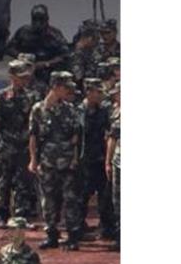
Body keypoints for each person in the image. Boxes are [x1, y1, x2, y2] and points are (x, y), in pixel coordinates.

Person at [28, 71, 83, 250]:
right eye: (64, 87)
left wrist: (75, 159)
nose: (67, 91)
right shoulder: (38, 109)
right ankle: (51, 233)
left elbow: (76, 138)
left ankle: (73, 235)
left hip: (66, 161)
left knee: (70, 198)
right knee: (49, 199)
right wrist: (33, 160)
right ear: (56, 87)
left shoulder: (70, 110)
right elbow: (33, 136)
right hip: (47, 161)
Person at [0, 60, 35, 224]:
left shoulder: (31, 96)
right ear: (12, 77)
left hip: (24, 145)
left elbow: (34, 123)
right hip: (6, 144)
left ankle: (20, 215)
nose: (23, 81)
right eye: (20, 77)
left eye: (25, 78)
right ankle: (3, 214)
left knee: (23, 181)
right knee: (3, 181)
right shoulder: (1, 96)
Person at [76, 78, 116, 240]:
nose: (101, 96)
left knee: (104, 197)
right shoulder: (77, 111)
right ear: (89, 92)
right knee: (81, 196)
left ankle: (107, 228)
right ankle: (78, 227)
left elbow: (110, 133)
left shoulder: (104, 111)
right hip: (82, 160)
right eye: (98, 92)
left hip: (100, 159)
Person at [5, 4, 70, 83]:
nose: (38, 23)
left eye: (41, 20)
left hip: (47, 70)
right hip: (25, 70)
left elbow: (65, 55)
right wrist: (20, 55)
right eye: (35, 19)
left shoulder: (55, 35)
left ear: (47, 19)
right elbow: (9, 48)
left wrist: (47, 63)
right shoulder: (23, 32)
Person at [105, 89, 121, 251]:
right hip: (119, 162)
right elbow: (112, 138)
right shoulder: (116, 113)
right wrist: (108, 162)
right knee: (117, 201)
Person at [69, 21, 99, 85]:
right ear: (90, 38)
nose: (96, 43)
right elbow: (78, 77)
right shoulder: (76, 54)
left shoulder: (88, 51)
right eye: (96, 39)